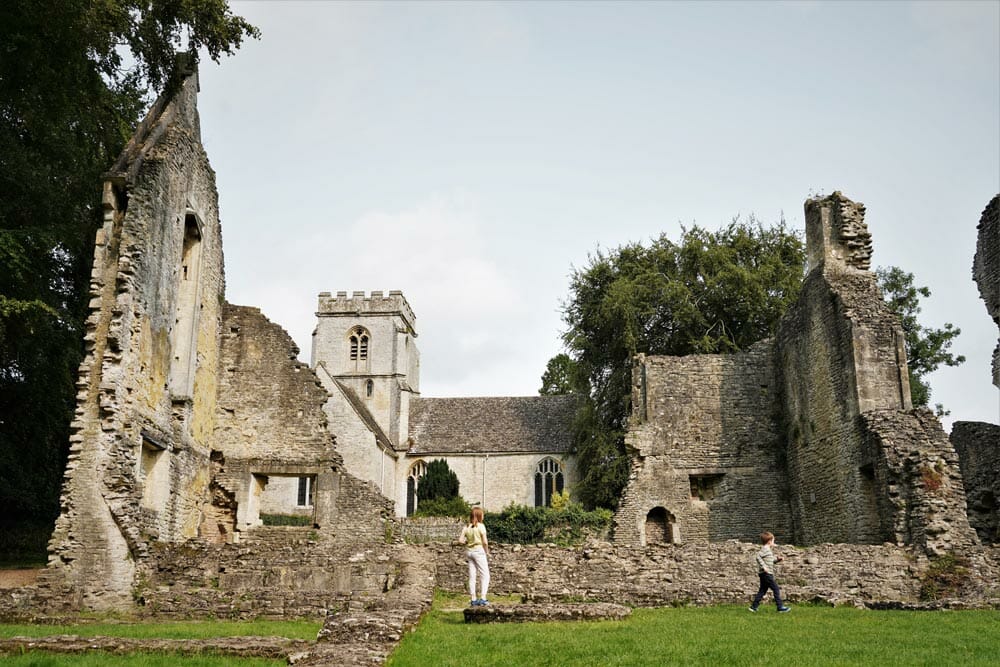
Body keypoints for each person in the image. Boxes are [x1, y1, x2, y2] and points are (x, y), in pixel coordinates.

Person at [749, 531, 790, 613]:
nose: (774, 543)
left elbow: (770, 561)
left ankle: (753, 607)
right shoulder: (765, 549)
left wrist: (777, 560)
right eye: (773, 541)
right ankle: (780, 607)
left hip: (764, 574)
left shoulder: (768, 550)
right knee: (776, 589)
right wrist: (763, 566)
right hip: (766, 574)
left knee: (762, 591)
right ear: (769, 541)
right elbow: (758, 557)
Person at [458, 506, 490, 607]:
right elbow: (485, 542)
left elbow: (460, 541)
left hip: (469, 552)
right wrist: (487, 552)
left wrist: (467, 541)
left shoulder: (466, 527)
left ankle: (473, 599)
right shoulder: (481, 526)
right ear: (479, 515)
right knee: (485, 575)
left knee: (472, 576)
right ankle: (483, 598)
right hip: (479, 551)